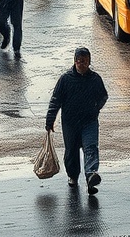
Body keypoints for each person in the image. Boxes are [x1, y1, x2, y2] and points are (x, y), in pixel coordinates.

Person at [45, 47, 109, 196]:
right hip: (70, 123)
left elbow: (103, 97)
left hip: (89, 121)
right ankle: (73, 176)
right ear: (74, 61)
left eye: (85, 62)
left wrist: (95, 109)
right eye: (79, 61)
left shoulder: (95, 79)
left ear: (89, 62)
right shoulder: (65, 79)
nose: (82, 64)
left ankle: (91, 175)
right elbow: (55, 101)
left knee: (91, 147)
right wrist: (50, 120)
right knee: (71, 150)